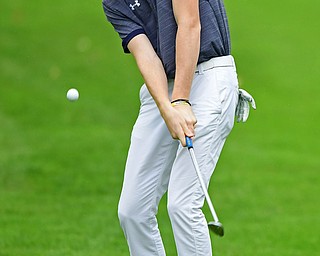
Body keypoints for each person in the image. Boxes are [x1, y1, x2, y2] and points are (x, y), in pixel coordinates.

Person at [102, 0, 255, 255]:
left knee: (183, 204)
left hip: (208, 75)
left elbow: (190, 23)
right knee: (133, 211)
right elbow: (146, 55)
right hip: (164, 85)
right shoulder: (113, 3)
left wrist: (182, 99)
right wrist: (167, 107)